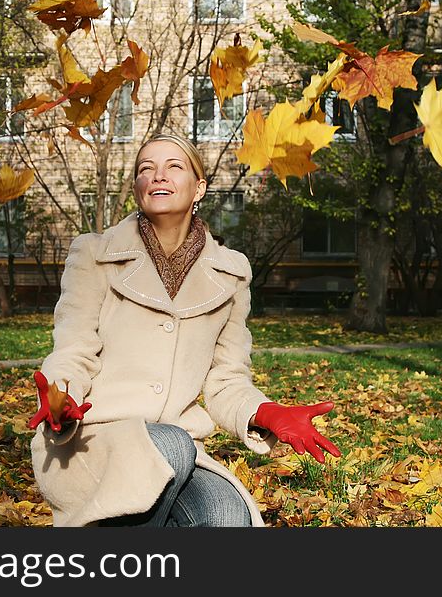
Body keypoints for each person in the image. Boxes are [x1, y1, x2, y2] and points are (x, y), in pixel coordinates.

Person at [27, 133, 340, 527]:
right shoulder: (94, 254)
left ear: (199, 188)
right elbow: (73, 350)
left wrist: (265, 412)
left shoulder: (232, 273)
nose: (158, 175)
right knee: (170, 444)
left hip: (180, 450)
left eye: (174, 166)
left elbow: (226, 379)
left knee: (228, 517)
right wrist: (60, 398)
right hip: (92, 441)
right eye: (146, 168)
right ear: (138, 187)